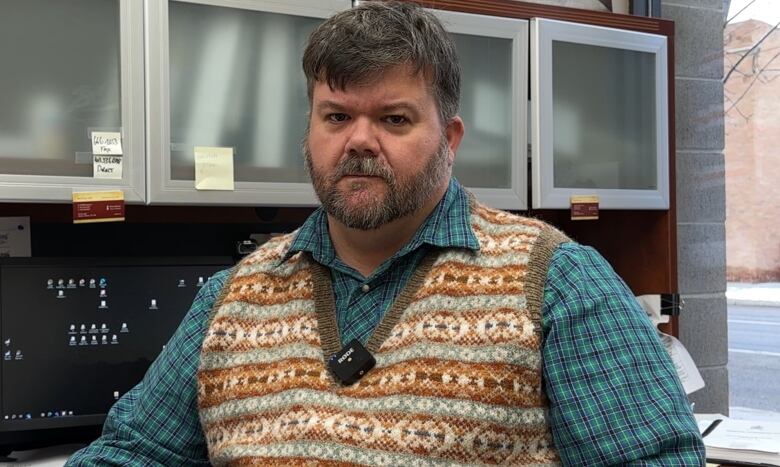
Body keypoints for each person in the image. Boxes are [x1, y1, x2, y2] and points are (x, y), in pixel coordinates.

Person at [67, 2, 704, 465]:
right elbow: (133, 453)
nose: (359, 141)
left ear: (449, 139)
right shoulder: (232, 298)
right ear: (310, 131)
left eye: (394, 118)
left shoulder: (557, 282)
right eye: (337, 115)